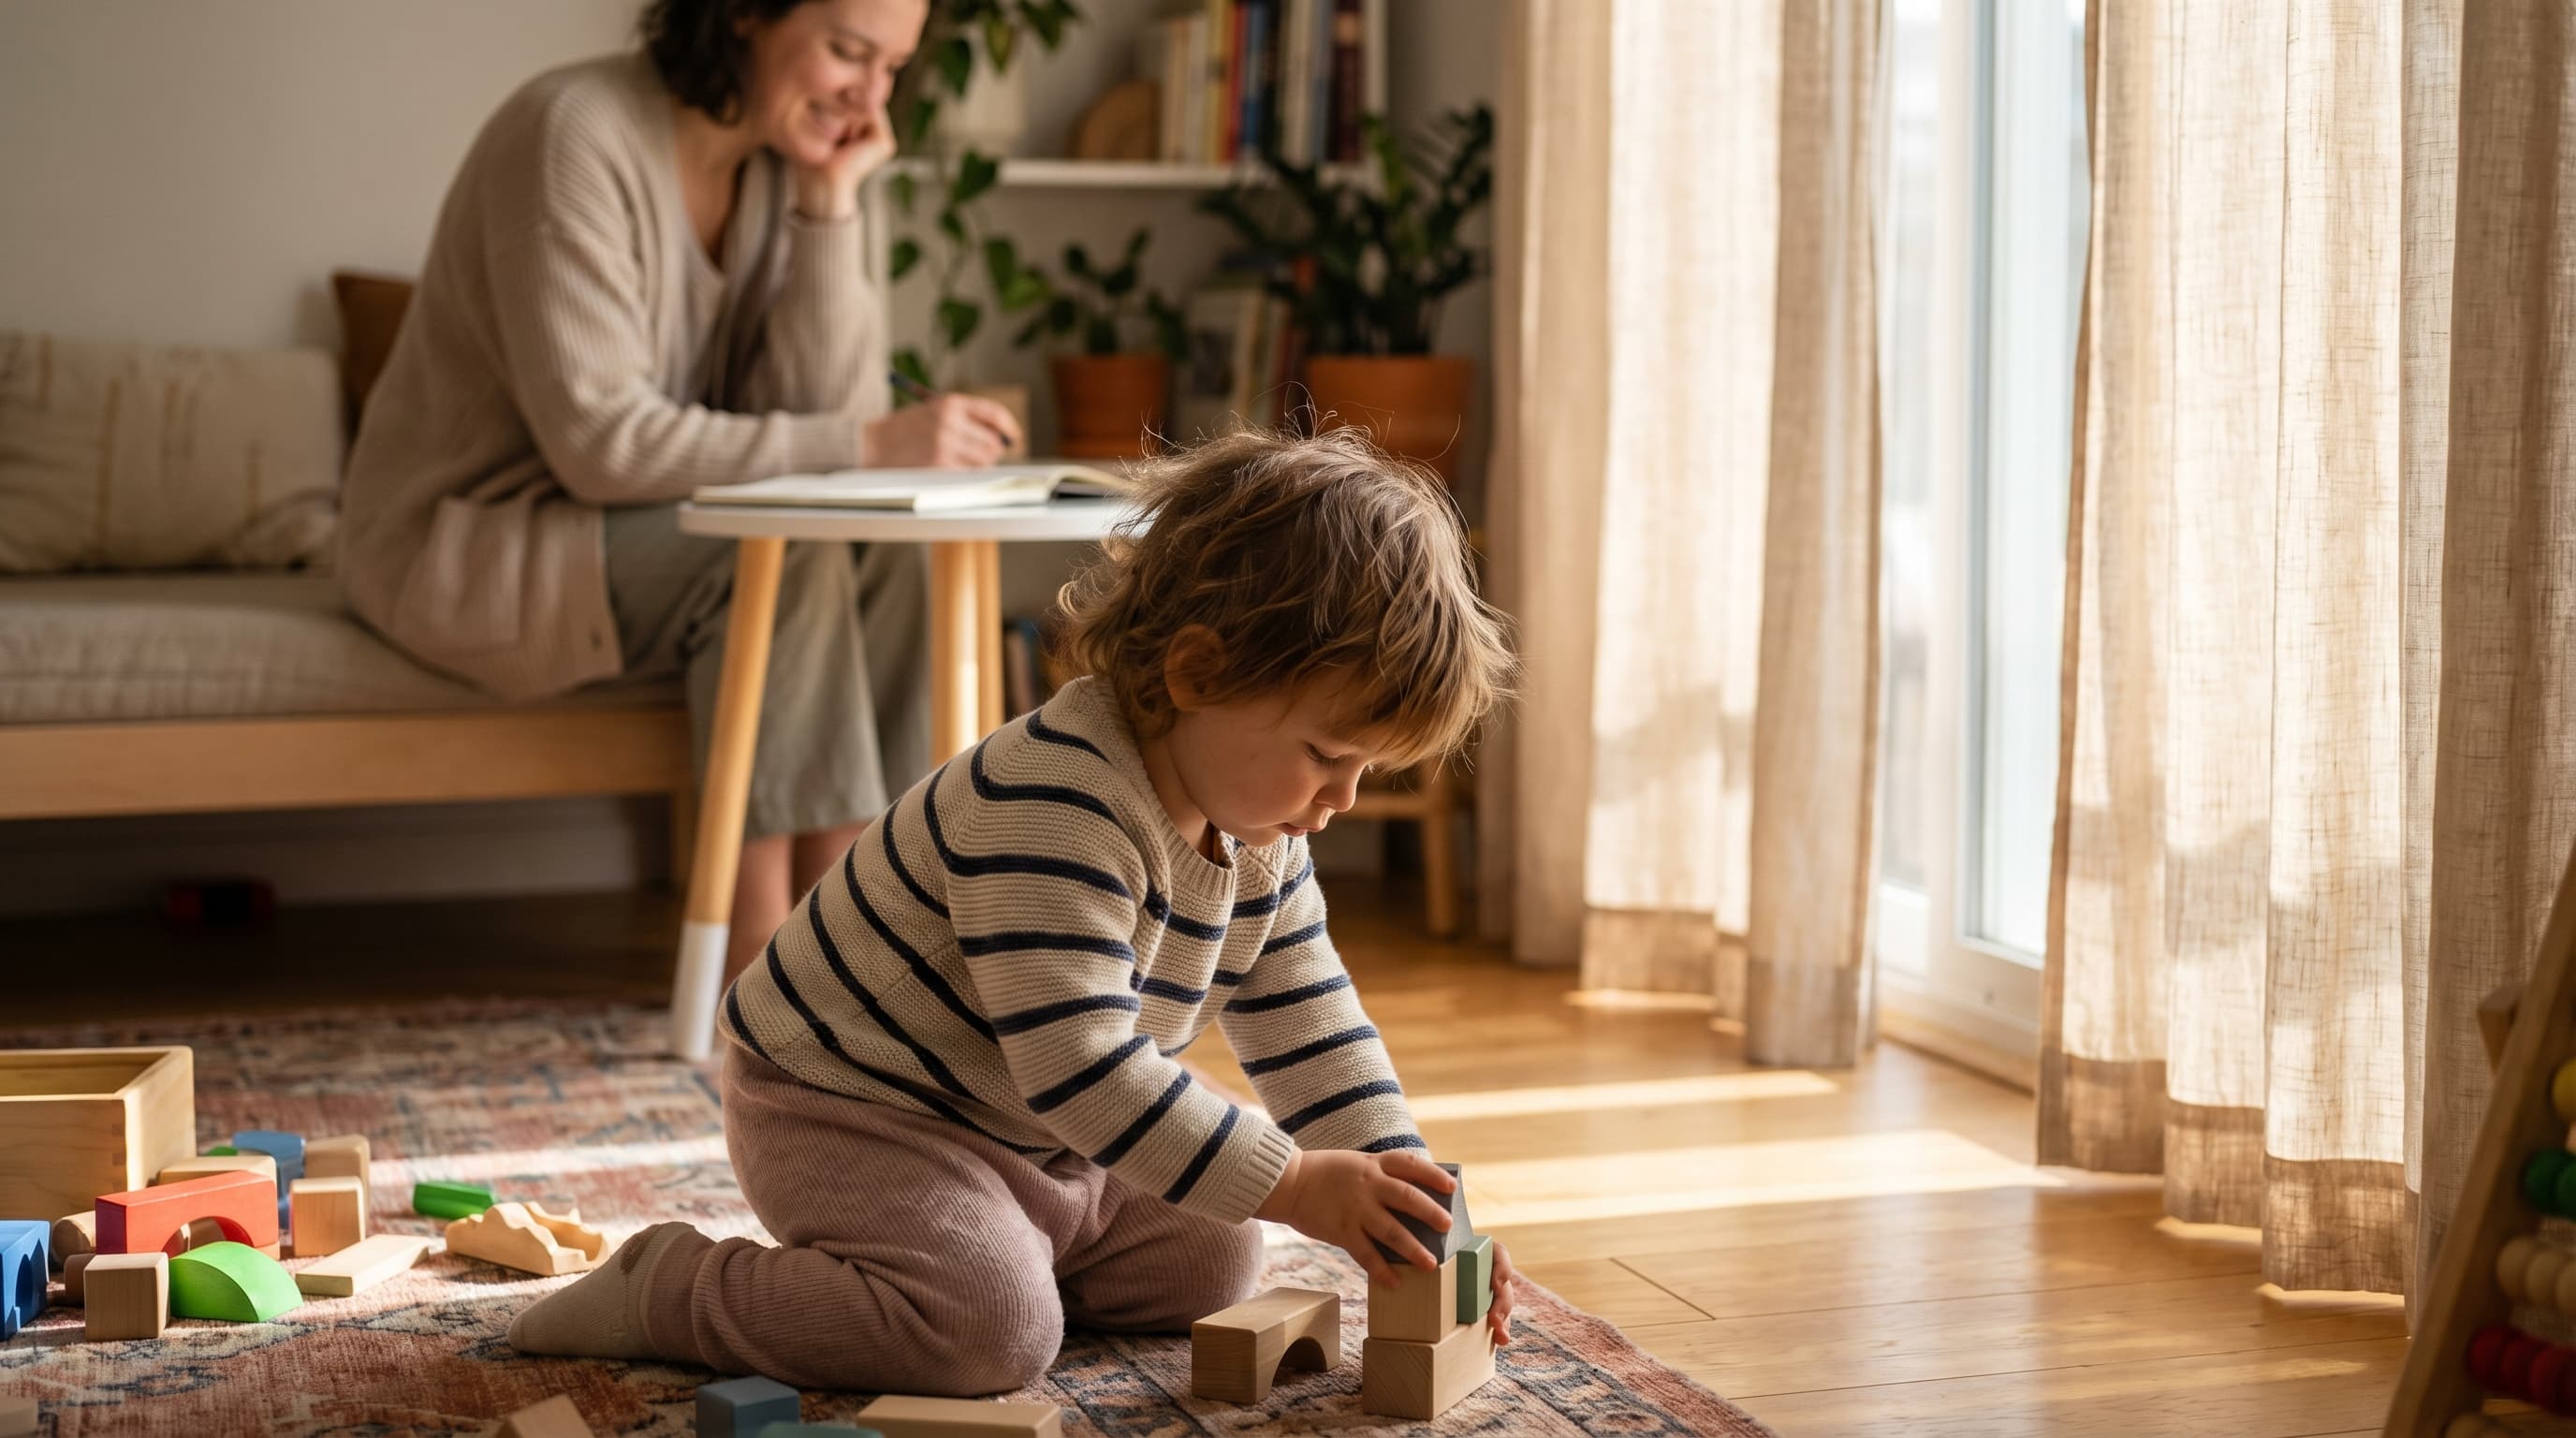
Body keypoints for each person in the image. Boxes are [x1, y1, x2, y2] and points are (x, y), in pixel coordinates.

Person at [505, 427, 1522, 1395]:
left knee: (1216, 1260)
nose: (1342, 802)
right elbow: (1083, 1070)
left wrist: (1425, 1204)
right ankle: (671, 1288)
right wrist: (1299, 1183)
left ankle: (1001, 1246)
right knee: (987, 1331)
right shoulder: (1055, 801)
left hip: (1035, 1132)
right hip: (854, 1109)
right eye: (1328, 757)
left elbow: (1315, 1025)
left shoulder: (1264, 834)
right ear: (1198, 672)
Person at [337, 0, 1022, 984]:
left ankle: (870, 919)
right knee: (779, 559)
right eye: (844, 51)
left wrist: (829, 206)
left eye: (890, 68)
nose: (869, 97)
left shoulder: (785, 161)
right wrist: (870, 438)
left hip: (631, 541)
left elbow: (827, 449)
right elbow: (601, 447)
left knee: (876, 541)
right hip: (475, 546)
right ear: (743, 12)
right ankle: (766, 964)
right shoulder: (571, 133)